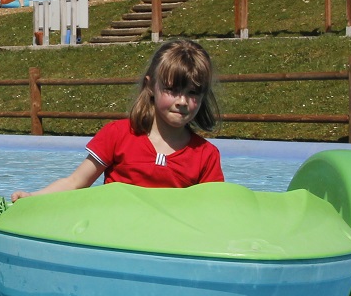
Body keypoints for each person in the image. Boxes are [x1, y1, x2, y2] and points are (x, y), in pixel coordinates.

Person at [12, 37, 223, 201]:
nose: (183, 101)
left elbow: (213, 209)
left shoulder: (205, 156)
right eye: (172, 90)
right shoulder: (118, 135)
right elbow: (76, 181)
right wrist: (33, 198)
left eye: (193, 93)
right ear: (150, 86)